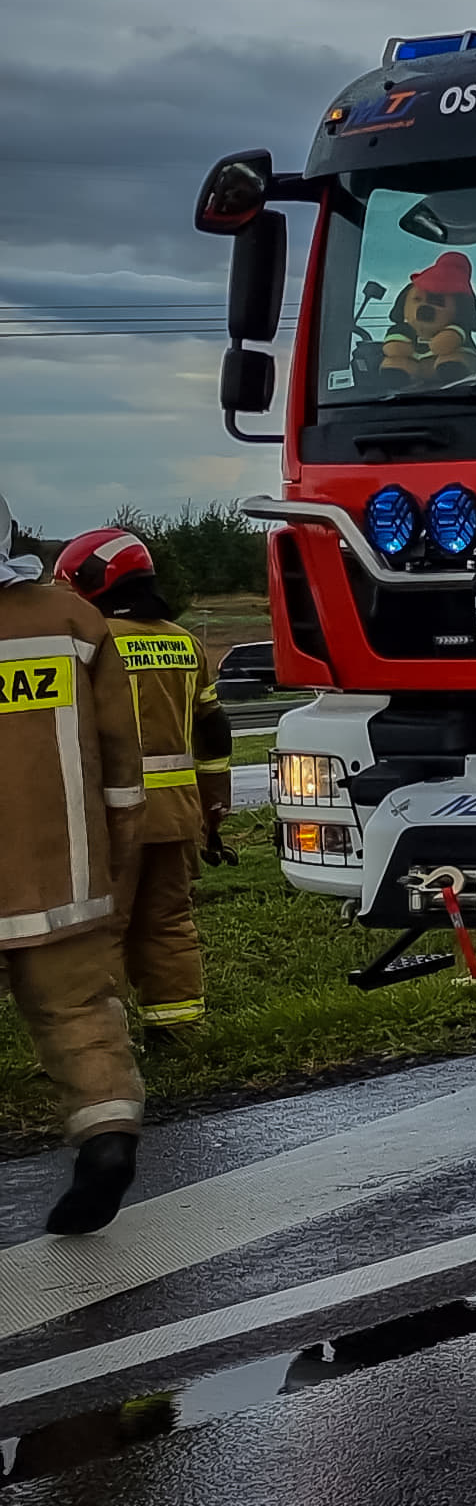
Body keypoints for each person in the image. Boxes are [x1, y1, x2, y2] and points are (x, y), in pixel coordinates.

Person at [0, 496, 149, 1234]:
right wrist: (112, 866)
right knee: (82, 1021)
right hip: (66, 877)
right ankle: (107, 1141)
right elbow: (123, 769)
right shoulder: (72, 621)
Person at [62, 529, 230, 1032]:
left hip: (113, 816)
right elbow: (213, 729)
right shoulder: (185, 643)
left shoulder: (93, 642)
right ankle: (179, 1025)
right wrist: (213, 804)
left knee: (102, 931)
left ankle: (103, 1041)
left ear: (95, 581)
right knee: (169, 922)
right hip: (179, 814)